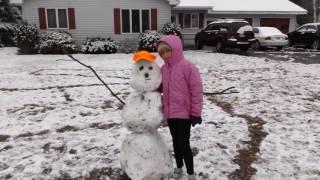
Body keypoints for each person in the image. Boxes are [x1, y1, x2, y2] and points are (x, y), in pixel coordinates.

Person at [157, 35, 203, 180]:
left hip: (184, 114)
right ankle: (179, 168)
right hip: (171, 114)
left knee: (184, 144)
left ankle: (190, 173)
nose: (164, 55)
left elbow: (196, 91)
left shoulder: (188, 67)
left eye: (167, 51)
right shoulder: (163, 69)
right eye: (161, 52)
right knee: (176, 143)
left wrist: (196, 113)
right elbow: (159, 87)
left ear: (175, 49)